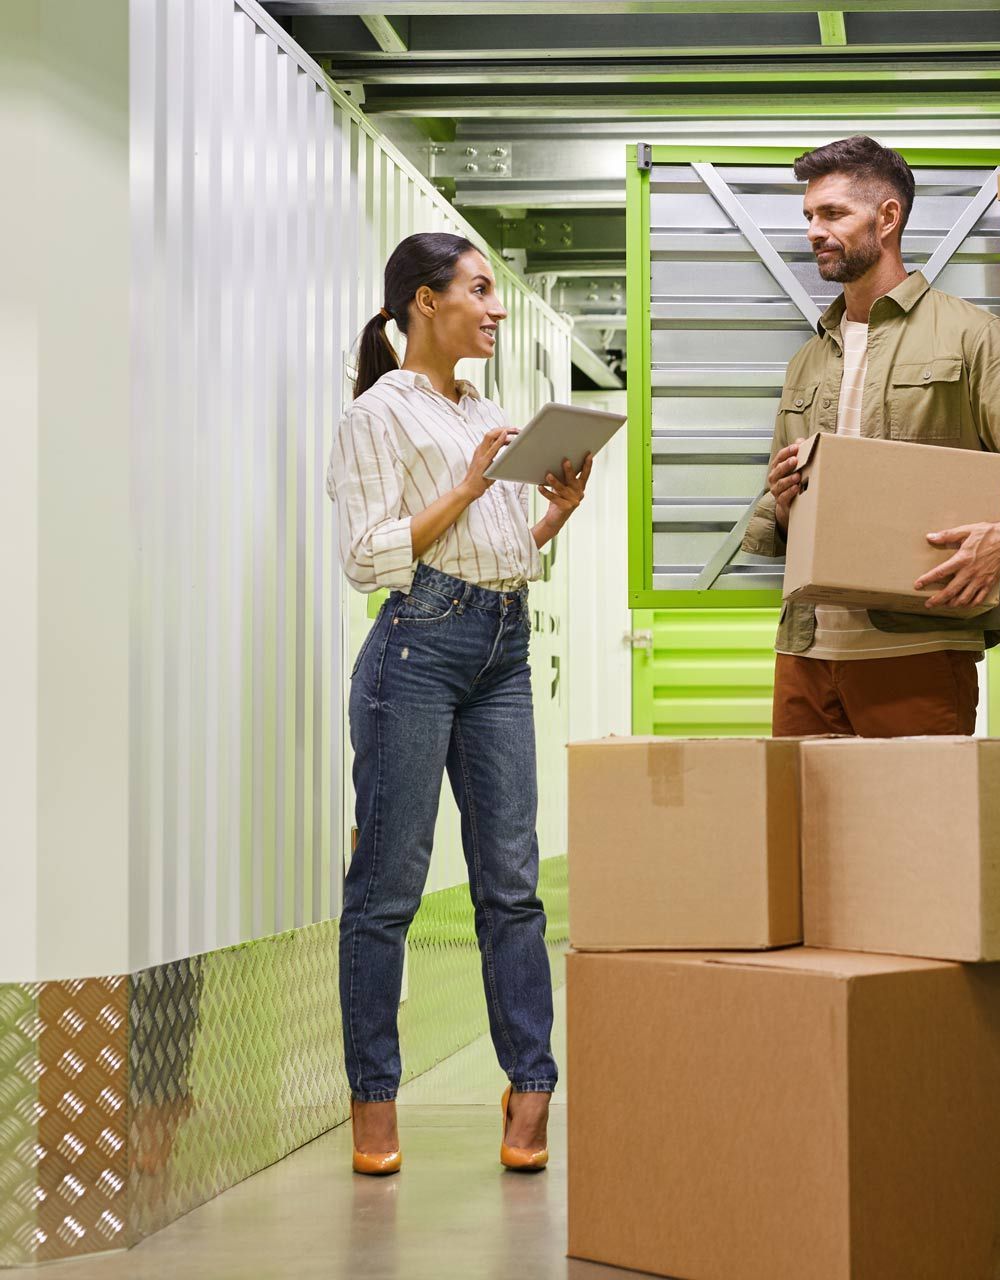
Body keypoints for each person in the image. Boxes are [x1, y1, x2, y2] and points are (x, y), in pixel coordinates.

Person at [327, 232, 592, 1176]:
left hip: (502, 650)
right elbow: (367, 557)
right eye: (479, 290)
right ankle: (373, 1103)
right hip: (416, 653)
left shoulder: (491, 409)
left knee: (511, 886)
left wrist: (553, 508)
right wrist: (471, 482)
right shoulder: (377, 415)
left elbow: (504, 542)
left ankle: (530, 1088)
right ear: (424, 303)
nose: (495, 307)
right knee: (388, 891)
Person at [743, 137, 1000, 736]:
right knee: (802, 831)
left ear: (888, 217)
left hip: (919, 646)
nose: (814, 231)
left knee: (918, 831)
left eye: (833, 214)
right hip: (804, 650)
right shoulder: (806, 362)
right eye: (809, 217)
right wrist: (785, 496)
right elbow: (792, 508)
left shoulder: (970, 335)